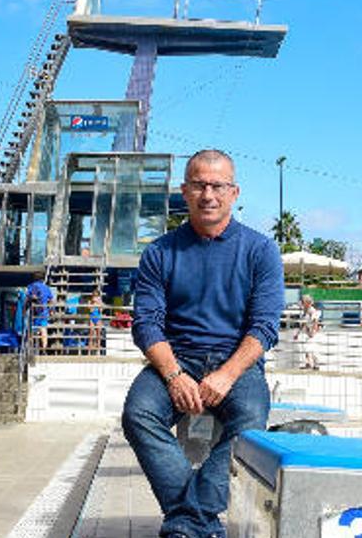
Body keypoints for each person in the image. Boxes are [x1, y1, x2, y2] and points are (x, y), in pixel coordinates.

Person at [123, 149, 283, 538]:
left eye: (217, 185)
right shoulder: (160, 252)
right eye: (199, 185)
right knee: (138, 414)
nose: (208, 194)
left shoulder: (260, 250)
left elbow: (264, 327)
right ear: (185, 190)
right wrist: (174, 373)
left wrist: (227, 375)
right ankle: (196, 521)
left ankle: (186, 523)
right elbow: (145, 324)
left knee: (249, 424)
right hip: (176, 358)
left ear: (234, 192)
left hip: (236, 364)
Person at [25, 272, 54, 349]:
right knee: (43, 329)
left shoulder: (31, 286)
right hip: (44, 311)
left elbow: (27, 299)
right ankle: (44, 348)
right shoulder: (46, 287)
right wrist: (51, 310)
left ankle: (30, 346)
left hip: (34, 311)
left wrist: (24, 309)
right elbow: (51, 300)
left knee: (31, 330)